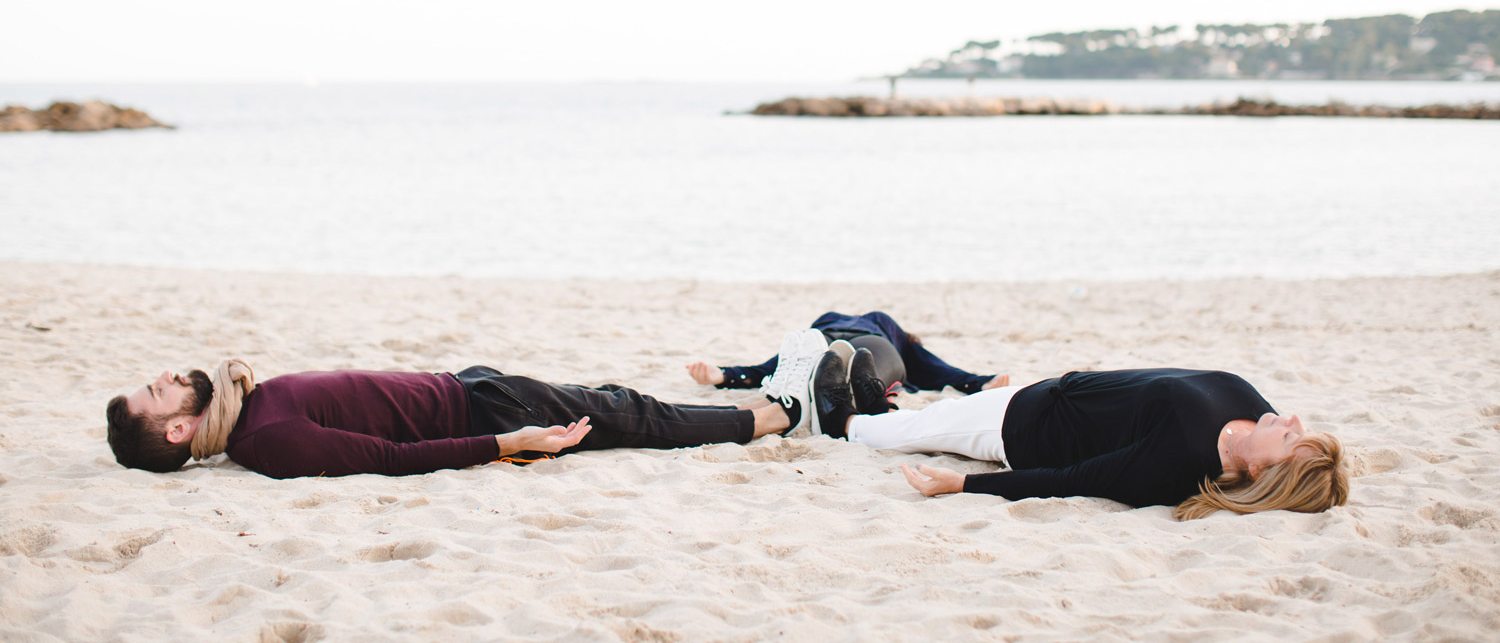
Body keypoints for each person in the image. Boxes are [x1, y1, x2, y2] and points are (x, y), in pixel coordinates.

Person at [106, 333, 839, 479]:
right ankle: (780, 414)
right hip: (481, 415)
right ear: (177, 428)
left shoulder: (249, 413)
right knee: (630, 416)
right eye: (158, 389)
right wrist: (509, 442)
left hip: (466, 387)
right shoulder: (267, 442)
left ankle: (777, 409)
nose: (167, 374)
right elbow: (393, 459)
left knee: (619, 408)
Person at [803, 355, 1349, 520]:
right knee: (939, 415)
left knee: (913, 430)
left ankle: (846, 421)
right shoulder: (1259, 416)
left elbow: (1073, 481)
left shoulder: (1178, 465)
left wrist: (963, 485)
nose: (1292, 421)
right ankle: (875, 405)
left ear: (1260, 472)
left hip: (1022, 428)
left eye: (1293, 440)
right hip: (1046, 392)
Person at [686, 311, 1009, 406]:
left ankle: (725, 376)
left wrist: (729, 375)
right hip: (873, 344)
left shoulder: (826, 319)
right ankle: (849, 393)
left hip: (826, 339)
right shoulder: (889, 327)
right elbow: (934, 369)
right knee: (864, 378)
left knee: (798, 364)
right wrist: (977, 383)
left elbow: (773, 366)